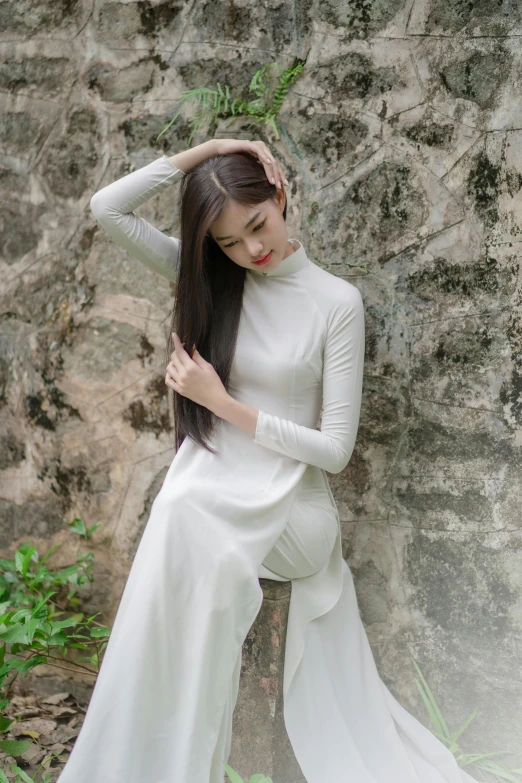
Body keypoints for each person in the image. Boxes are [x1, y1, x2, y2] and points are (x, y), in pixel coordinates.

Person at [56, 138, 479, 783]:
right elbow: (107, 208)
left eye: (257, 225)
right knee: (181, 506)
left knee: (183, 506)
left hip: (298, 518)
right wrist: (219, 148)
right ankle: (151, 753)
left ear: (279, 195)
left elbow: (335, 452)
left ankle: (172, 758)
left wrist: (221, 404)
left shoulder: (336, 304)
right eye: (228, 243)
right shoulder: (219, 288)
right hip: (220, 498)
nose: (252, 251)